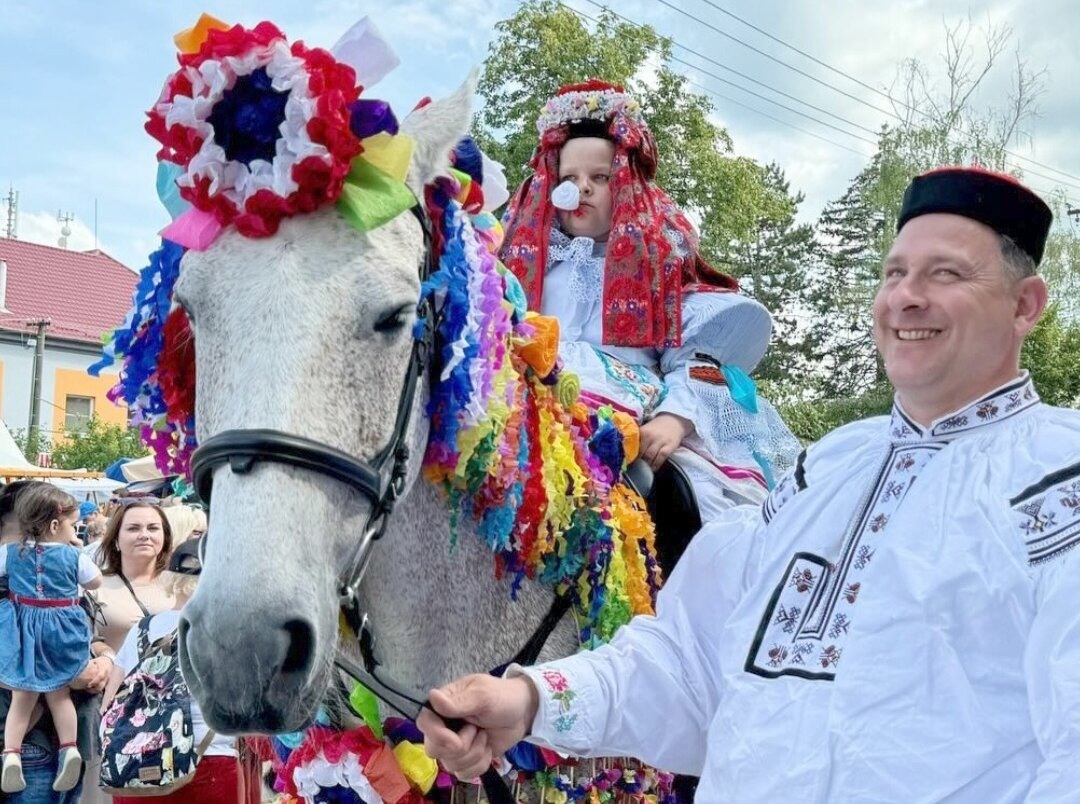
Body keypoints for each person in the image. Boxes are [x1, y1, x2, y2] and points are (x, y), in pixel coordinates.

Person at [418, 167, 1080, 802]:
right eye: (895, 273)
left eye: (947, 274)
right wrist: (529, 701)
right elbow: (689, 667)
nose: (906, 296)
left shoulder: (1059, 475)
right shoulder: (823, 472)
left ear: (1024, 306)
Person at [499, 80, 798, 518]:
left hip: (631, 417)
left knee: (693, 506)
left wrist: (674, 420)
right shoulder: (527, 268)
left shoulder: (655, 269)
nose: (582, 189)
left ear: (624, 183)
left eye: (599, 178)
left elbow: (696, 361)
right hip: (531, 397)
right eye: (569, 178)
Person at [98, 538, 259, 804]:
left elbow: (110, 703)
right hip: (210, 760)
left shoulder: (142, 630)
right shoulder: (235, 634)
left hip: (139, 768)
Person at [0, 481, 114, 804]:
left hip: (51, 744)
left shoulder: (32, 578)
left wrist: (104, 658)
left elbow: (92, 636)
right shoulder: (10, 588)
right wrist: (69, 671)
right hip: (31, 746)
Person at [90, 504, 175, 653]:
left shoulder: (182, 585)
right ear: (116, 538)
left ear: (165, 537)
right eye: (133, 528)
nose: (144, 535)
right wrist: (103, 652)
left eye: (153, 528)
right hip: (114, 674)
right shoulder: (93, 586)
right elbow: (77, 639)